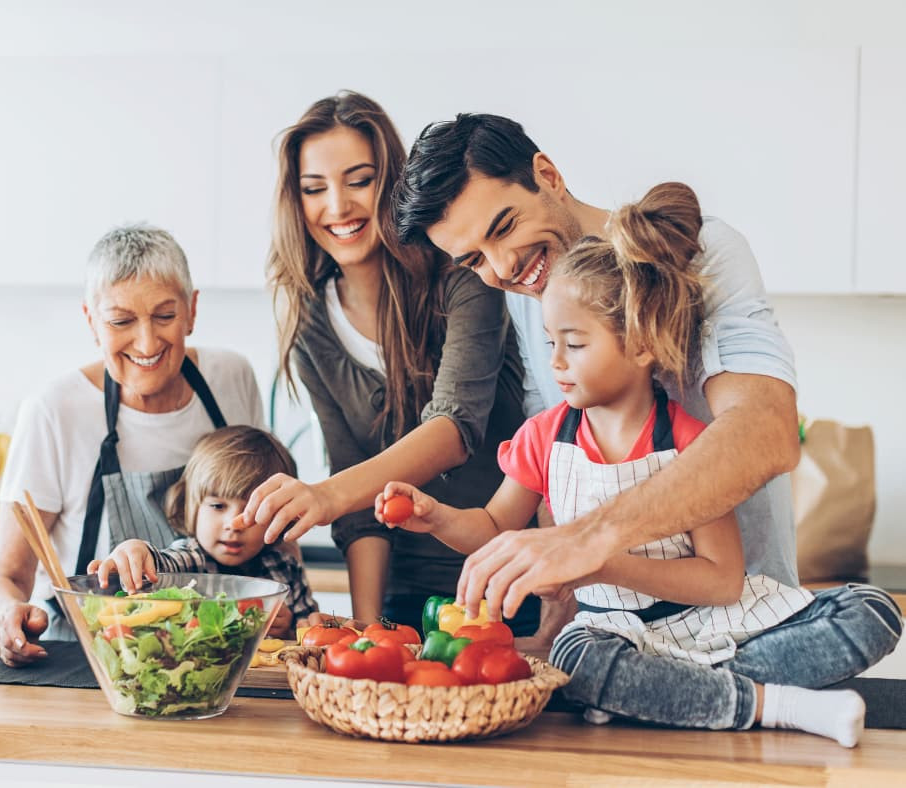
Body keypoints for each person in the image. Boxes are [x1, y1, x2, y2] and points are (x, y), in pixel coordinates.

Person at [377, 183, 901, 746]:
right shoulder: (544, 438)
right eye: (550, 342)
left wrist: (598, 561)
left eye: (574, 344)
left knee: (873, 611)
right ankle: (771, 705)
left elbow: (723, 581)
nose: (554, 363)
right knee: (578, 657)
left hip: (714, 624)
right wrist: (435, 517)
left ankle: (661, 696)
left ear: (642, 343)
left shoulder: (693, 445)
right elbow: (493, 527)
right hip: (616, 636)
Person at [393, 113, 801, 626]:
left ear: (548, 175)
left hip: (749, 614)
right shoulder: (530, 294)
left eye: (504, 226)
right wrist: (556, 616)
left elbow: (767, 431)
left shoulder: (702, 252)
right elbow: (553, 475)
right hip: (617, 628)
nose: (503, 269)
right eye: (474, 260)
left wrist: (589, 540)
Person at [245, 91, 538, 634]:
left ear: (393, 183)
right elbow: (356, 500)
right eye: (315, 189)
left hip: (507, 582)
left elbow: (454, 428)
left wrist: (323, 497)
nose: (337, 207)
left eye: (359, 180)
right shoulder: (311, 321)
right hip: (403, 597)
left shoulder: (464, 277)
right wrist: (367, 629)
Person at [0, 225, 268, 665]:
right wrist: (8, 616)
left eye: (165, 316)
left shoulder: (231, 378)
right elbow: (5, 573)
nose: (147, 342)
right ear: (91, 321)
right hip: (90, 661)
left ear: (192, 310)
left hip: (215, 656)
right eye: (121, 321)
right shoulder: (55, 411)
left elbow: (270, 521)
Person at [87, 425, 319, 639]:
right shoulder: (191, 558)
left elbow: (311, 633)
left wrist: (289, 629)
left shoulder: (286, 567)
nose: (234, 524)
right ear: (192, 508)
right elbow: (161, 564)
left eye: (252, 512)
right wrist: (136, 550)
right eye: (218, 506)